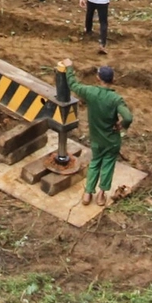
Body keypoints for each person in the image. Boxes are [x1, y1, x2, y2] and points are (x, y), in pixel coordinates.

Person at [62, 61, 132, 206]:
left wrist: (69, 67)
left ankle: (87, 194)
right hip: (111, 141)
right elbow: (128, 117)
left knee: (94, 163)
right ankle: (101, 195)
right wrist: (122, 125)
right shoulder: (115, 99)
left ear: (98, 79)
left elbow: (73, 85)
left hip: (96, 139)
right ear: (113, 80)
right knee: (108, 165)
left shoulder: (90, 92)